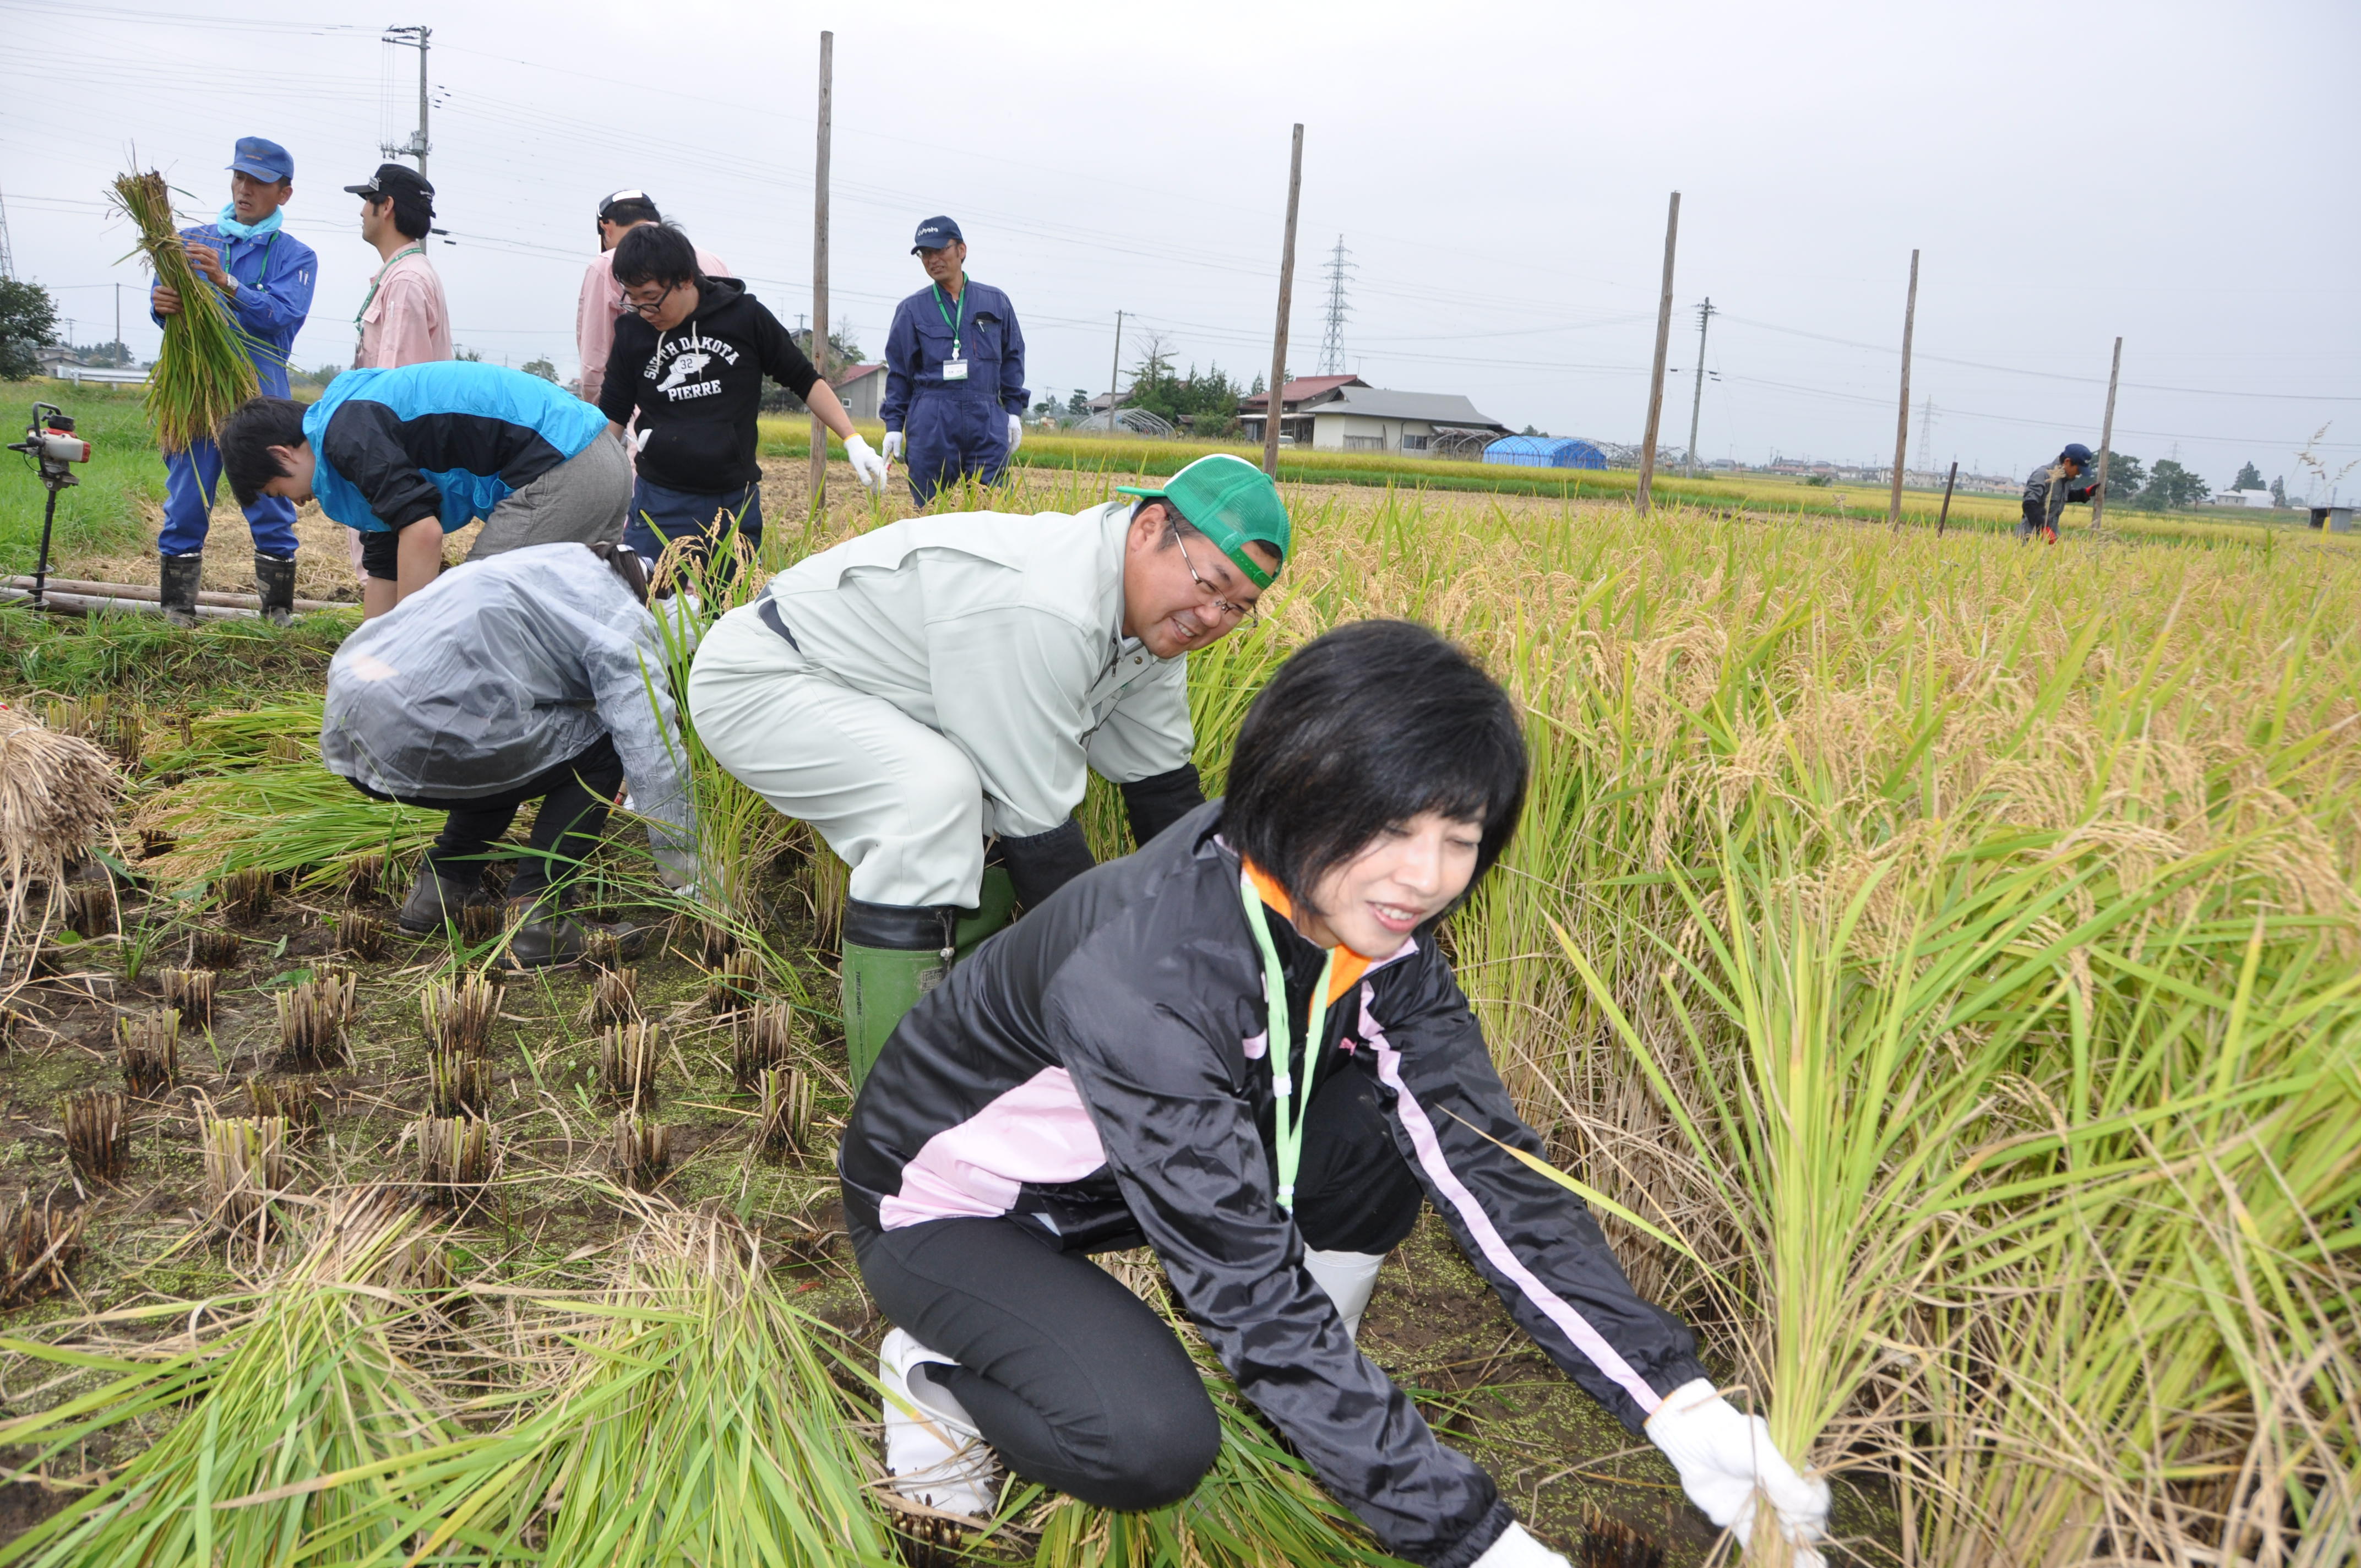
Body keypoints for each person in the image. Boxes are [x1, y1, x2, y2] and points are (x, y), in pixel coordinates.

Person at [840, 620, 1831, 1568]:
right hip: (961, 1209)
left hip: (1134, 1167)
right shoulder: (1142, 976)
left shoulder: (1373, 930)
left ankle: (1314, 1396)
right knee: (1146, 1441)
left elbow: (1488, 1166)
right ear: (1296, 790)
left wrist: (1678, 1404)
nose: (1426, 876)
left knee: (1374, 1139)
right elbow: (1248, 1295)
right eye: (1391, 828)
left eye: (1460, 836)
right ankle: (935, 1377)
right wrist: (1473, 1538)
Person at [688, 453, 1285, 1081]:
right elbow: (1043, 838)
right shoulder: (1051, 604)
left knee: (976, 808)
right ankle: (897, 1108)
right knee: (931, 799)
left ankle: (954, 1040)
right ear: (1148, 529)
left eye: (1238, 607)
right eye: (1209, 583)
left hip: (866, 695)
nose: (1213, 618)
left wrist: (1234, 932)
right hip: (765, 675)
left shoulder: (1152, 627)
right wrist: (1130, 994)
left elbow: (1161, 792)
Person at [319, 541, 695, 967]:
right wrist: (688, 870)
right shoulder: (624, 623)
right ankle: (541, 918)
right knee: (600, 747)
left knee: (520, 743)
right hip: (431, 732)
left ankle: (440, 889)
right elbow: (652, 752)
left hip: (351, 722)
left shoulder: (557, 564)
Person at [216, 362, 629, 619]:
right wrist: (370, 661)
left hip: (565, 469)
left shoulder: (347, 434)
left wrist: (409, 645)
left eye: (277, 491)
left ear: (283, 455)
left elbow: (422, 533)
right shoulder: (350, 425)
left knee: (477, 609)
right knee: (569, 618)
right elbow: (385, 565)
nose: (293, 502)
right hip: (595, 459)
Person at [597, 221, 887, 579]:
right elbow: (613, 414)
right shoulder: (632, 334)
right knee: (650, 607)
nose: (644, 311)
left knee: (729, 611)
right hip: (660, 499)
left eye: (652, 298)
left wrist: (853, 439)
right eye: (632, 299)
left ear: (686, 278)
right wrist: (591, 478)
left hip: (733, 500)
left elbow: (804, 379)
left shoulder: (744, 318)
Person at [149, 137, 317, 628]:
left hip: (261, 401)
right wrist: (162, 307)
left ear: (284, 194)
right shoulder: (188, 241)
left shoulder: (296, 257)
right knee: (186, 499)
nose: (245, 189)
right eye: (239, 177)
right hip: (195, 395)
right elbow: (169, 317)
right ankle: (177, 610)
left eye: (259, 182)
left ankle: (278, 611)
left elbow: (283, 316)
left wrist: (228, 284)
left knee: (271, 499)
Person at [342, 161, 453, 578]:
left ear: (385, 207)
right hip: (401, 454)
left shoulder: (406, 281)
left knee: (386, 572)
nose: (361, 212)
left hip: (394, 453)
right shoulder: (402, 274)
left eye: (366, 202)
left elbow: (394, 386)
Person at [880, 216, 1029, 503]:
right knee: (929, 508)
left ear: (961, 250)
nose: (933, 260)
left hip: (986, 417)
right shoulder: (912, 309)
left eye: (940, 251)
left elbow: (1013, 357)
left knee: (994, 507)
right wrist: (894, 425)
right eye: (925, 254)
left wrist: (1012, 411)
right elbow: (899, 373)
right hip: (932, 421)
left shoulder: (995, 302)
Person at [575, 190, 728, 409]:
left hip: (646, 419)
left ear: (606, 227)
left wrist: (605, 420)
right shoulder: (713, 260)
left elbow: (595, 362)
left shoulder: (605, 264)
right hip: (717, 409)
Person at [2019, 442, 2101, 543]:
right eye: (2079, 469)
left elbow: (2062, 496)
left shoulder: (2065, 479)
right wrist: (2043, 529)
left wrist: (2085, 493)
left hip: (2053, 536)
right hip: (2030, 538)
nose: (2079, 473)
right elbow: (2029, 504)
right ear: (2067, 462)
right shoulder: (2042, 475)